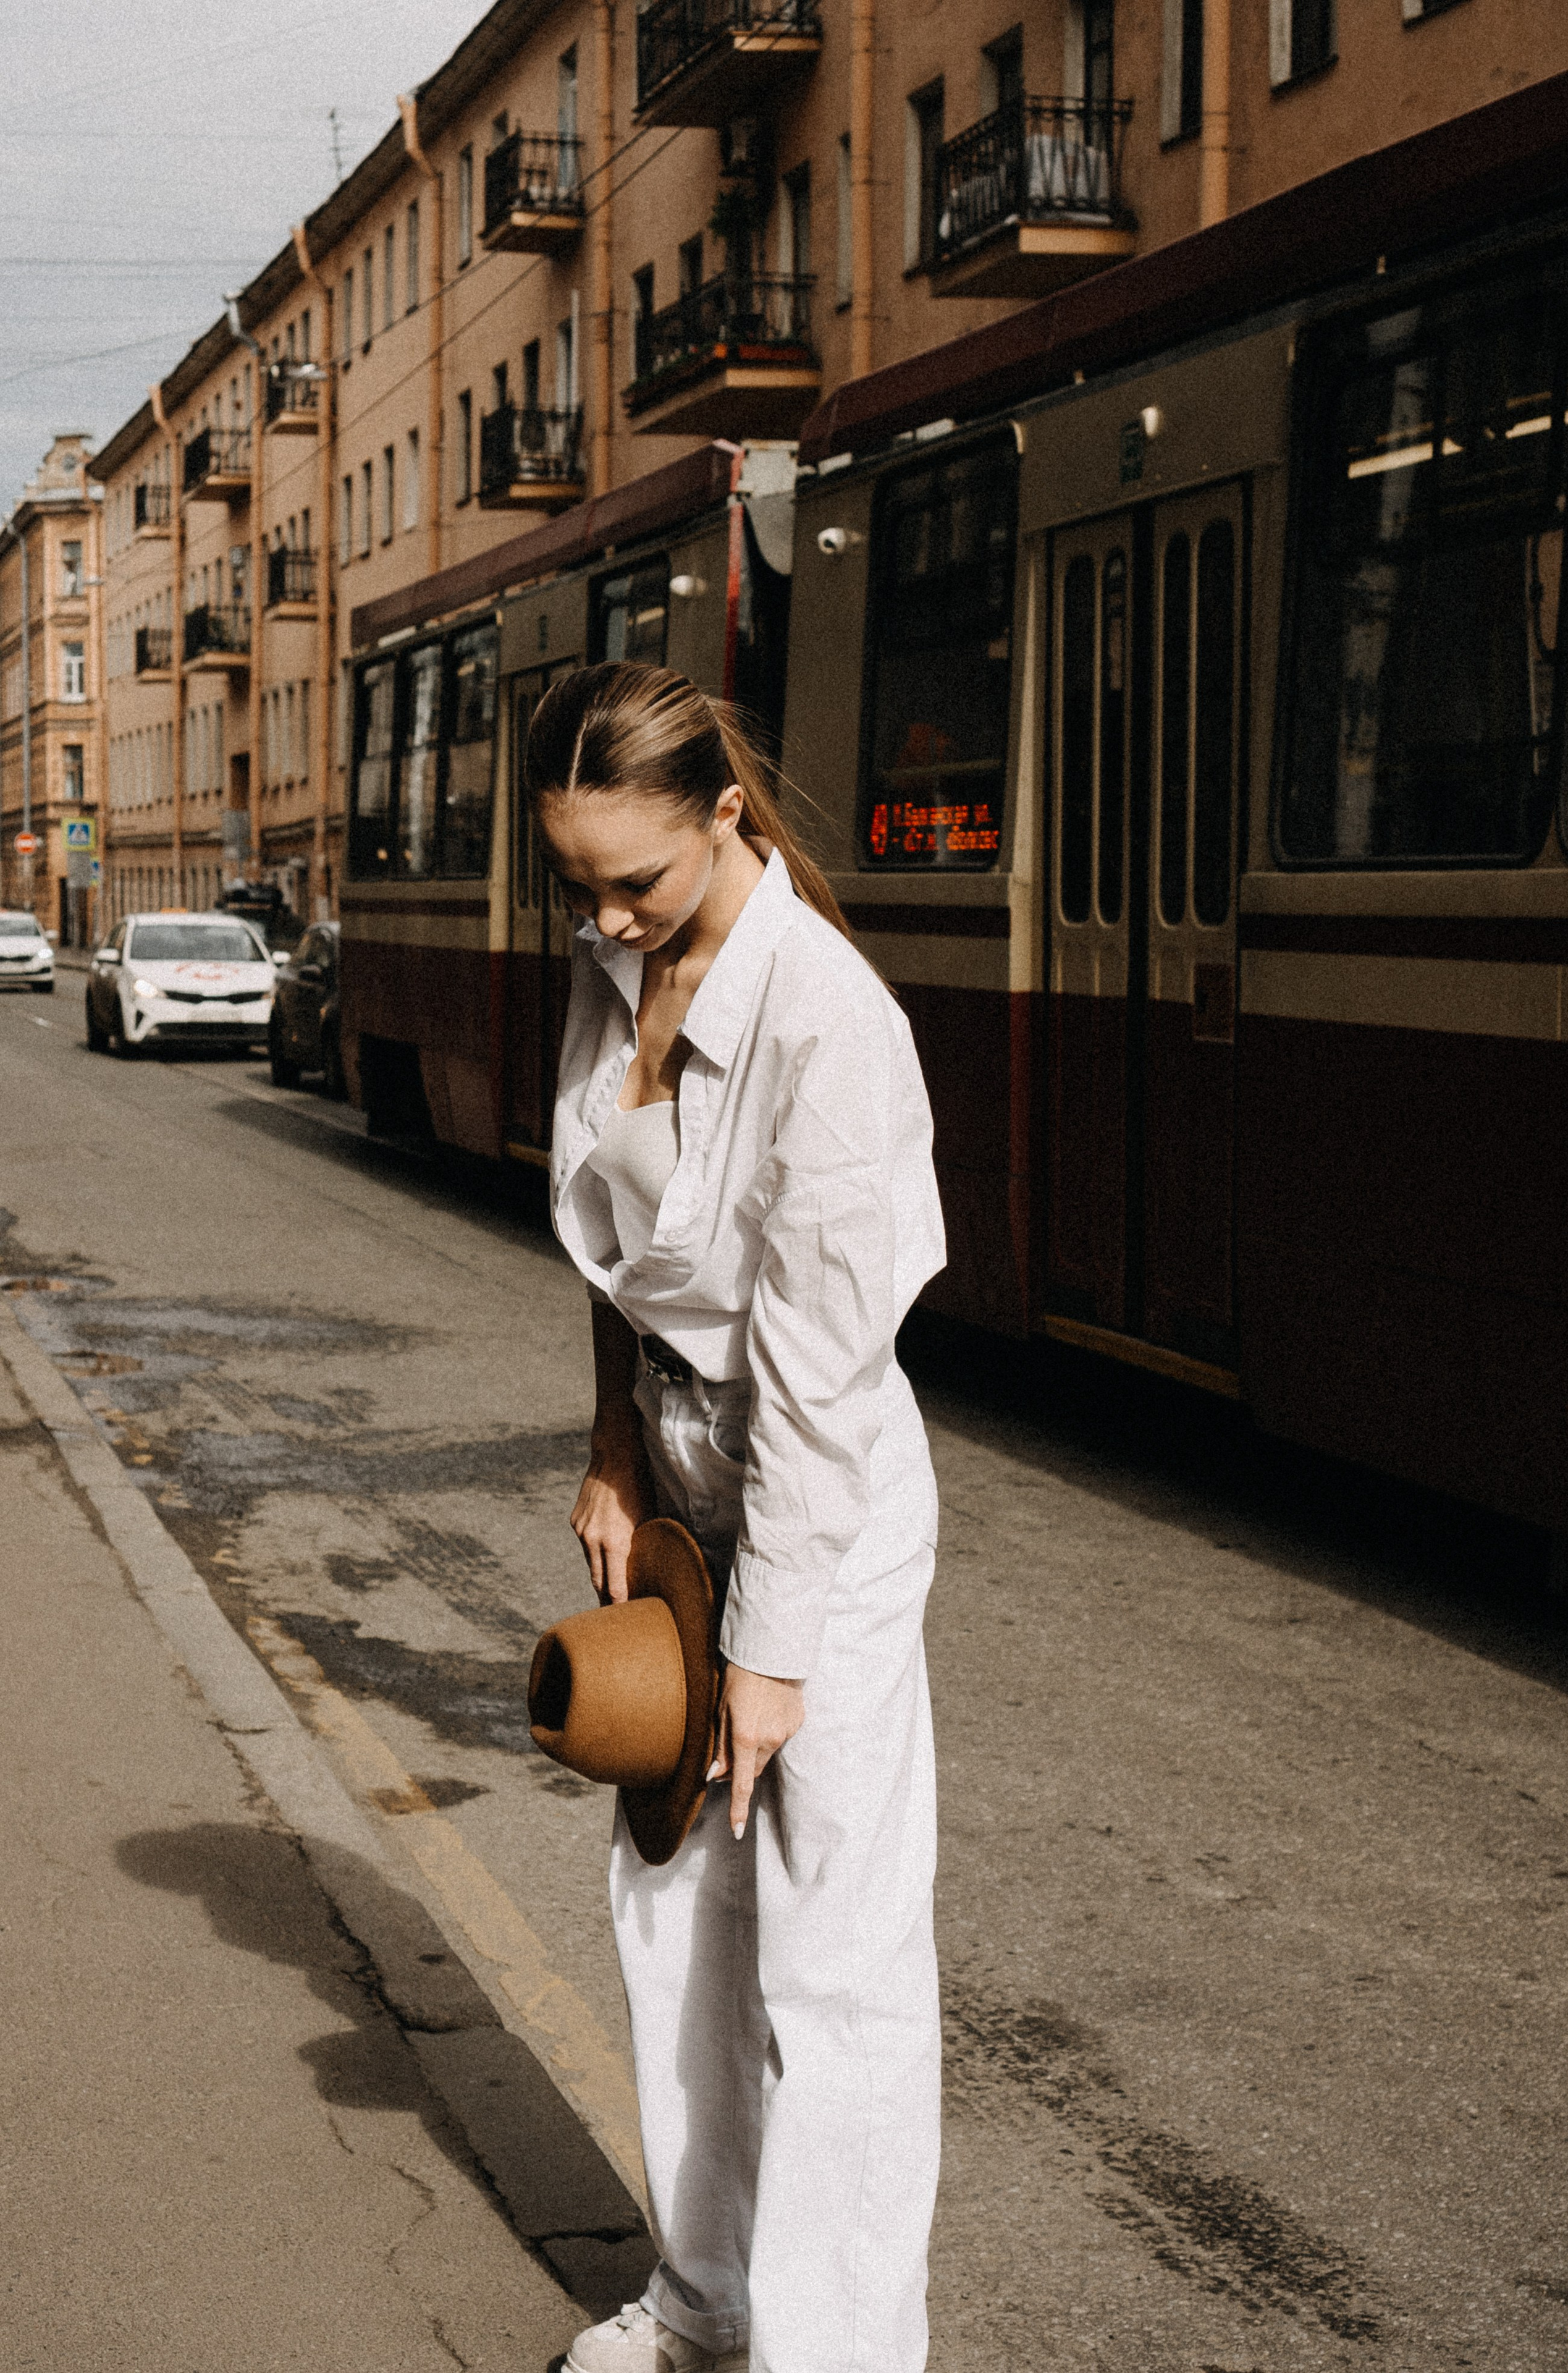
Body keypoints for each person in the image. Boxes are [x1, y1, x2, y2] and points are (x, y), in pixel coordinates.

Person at [532, 661, 945, 2373]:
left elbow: (825, 1399)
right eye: (577, 884)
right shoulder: (611, 956)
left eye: (639, 879)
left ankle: (837, 2355)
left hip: (819, 1515)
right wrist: (617, 1444)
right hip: (686, 1484)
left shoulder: (829, 1023)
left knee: (832, 1959)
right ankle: (703, 2311)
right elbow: (615, 1258)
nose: (611, 917)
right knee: (671, 1916)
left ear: (725, 812)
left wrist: (775, 1659)